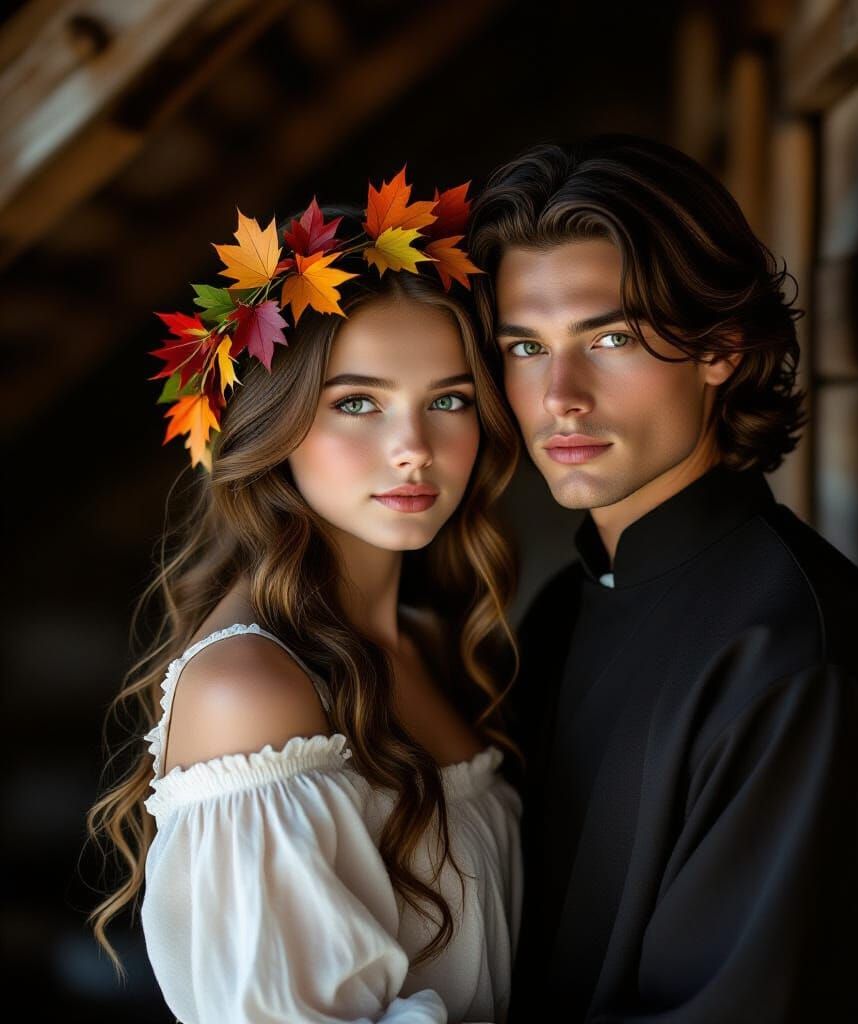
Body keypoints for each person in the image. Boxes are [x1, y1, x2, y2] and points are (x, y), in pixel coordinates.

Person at [467, 135, 858, 1023]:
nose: (560, 395)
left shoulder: (795, 665)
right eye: (525, 347)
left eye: (610, 337)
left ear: (720, 346)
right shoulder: (563, 610)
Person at [86, 178, 523, 1023]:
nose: (414, 449)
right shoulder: (250, 693)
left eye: (449, 400)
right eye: (357, 402)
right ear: (272, 422)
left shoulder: (430, 645)